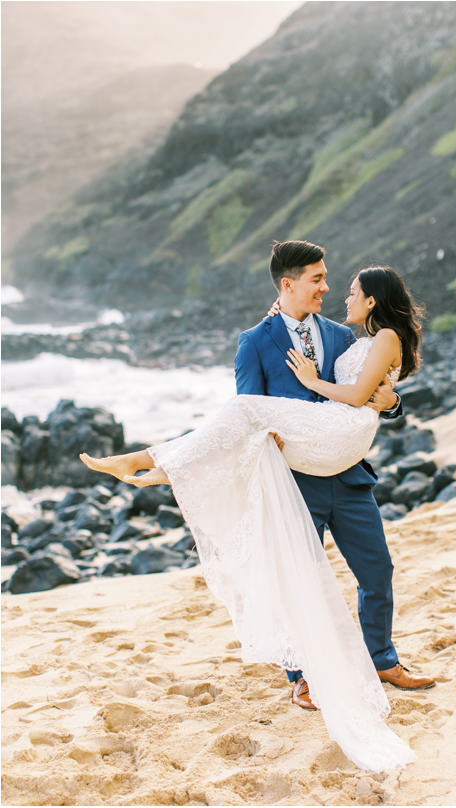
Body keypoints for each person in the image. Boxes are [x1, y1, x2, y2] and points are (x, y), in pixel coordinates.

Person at [80, 244, 432, 771]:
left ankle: (382, 660)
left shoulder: (341, 335)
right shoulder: (255, 342)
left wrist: (393, 402)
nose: (326, 289)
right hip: (293, 483)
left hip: (347, 475)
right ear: (286, 284)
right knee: (295, 580)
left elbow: (371, 387)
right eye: (315, 279)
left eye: (328, 279)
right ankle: (302, 678)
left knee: (378, 571)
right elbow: (243, 420)